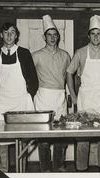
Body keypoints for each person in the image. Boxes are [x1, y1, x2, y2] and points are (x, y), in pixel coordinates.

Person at [67, 15, 100, 172]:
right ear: (89, 35)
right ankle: (81, 170)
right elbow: (69, 72)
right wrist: (72, 94)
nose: (96, 36)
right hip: (86, 98)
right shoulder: (80, 53)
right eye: (93, 33)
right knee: (83, 137)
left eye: (98, 33)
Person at [0, 22, 38, 172]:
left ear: (16, 35)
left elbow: (34, 79)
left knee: (22, 143)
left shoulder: (24, 53)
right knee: (1, 144)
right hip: (1, 104)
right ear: (1, 35)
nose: (9, 35)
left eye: (12, 32)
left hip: (21, 103)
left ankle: (21, 172)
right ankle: (2, 170)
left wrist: (28, 96)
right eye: (6, 32)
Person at [32, 15, 71, 172]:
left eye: (55, 35)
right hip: (43, 96)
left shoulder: (65, 55)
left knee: (61, 133)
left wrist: (69, 95)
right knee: (44, 135)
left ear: (58, 37)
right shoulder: (36, 55)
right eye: (49, 35)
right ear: (44, 37)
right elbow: (29, 76)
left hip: (60, 96)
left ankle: (59, 166)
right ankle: (45, 168)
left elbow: (68, 78)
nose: (52, 38)